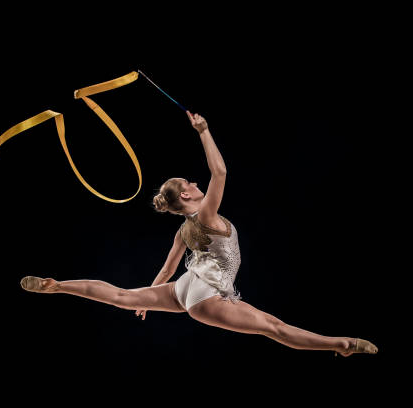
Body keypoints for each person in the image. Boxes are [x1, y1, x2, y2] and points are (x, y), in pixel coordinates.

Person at [20, 110, 378, 357]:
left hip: (185, 288)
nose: (194, 182)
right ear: (188, 195)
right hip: (205, 294)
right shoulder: (204, 216)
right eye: (189, 182)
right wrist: (204, 131)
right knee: (273, 327)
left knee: (123, 296)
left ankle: (59, 285)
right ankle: (340, 344)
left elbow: (165, 272)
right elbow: (219, 172)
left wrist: (148, 302)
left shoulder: (183, 230)